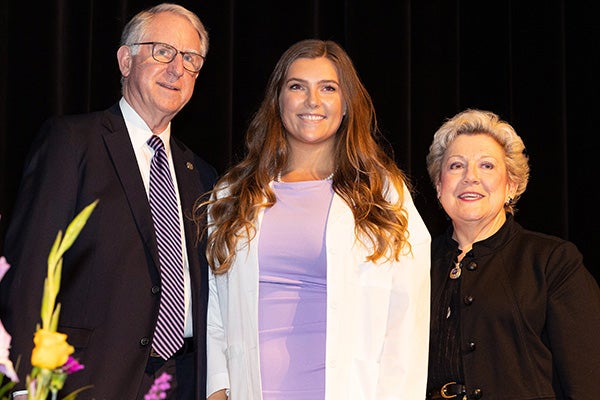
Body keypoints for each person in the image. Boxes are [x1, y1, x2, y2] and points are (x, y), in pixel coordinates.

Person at [0, 3, 217, 399]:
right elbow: (29, 270)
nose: (177, 69)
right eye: (163, 51)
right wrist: (23, 383)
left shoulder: (200, 174)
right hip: (86, 378)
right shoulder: (72, 143)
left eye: (191, 59)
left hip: (182, 381)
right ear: (125, 60)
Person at [197, 39, 431, 400]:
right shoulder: (234, 191)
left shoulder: (383, 193)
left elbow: (407, 321)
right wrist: (218, 387)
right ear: (278, 99)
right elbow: (216, 304)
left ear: (346, 104)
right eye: (297, 87)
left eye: (328, 88)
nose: (312, 101)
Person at [425, 108, 600, 399]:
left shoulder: (552, 262)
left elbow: (588, 380)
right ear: (439, 185)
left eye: (487, 166)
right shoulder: (414, 263)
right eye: (456, 166)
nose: (470, 177)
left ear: (512, 185)